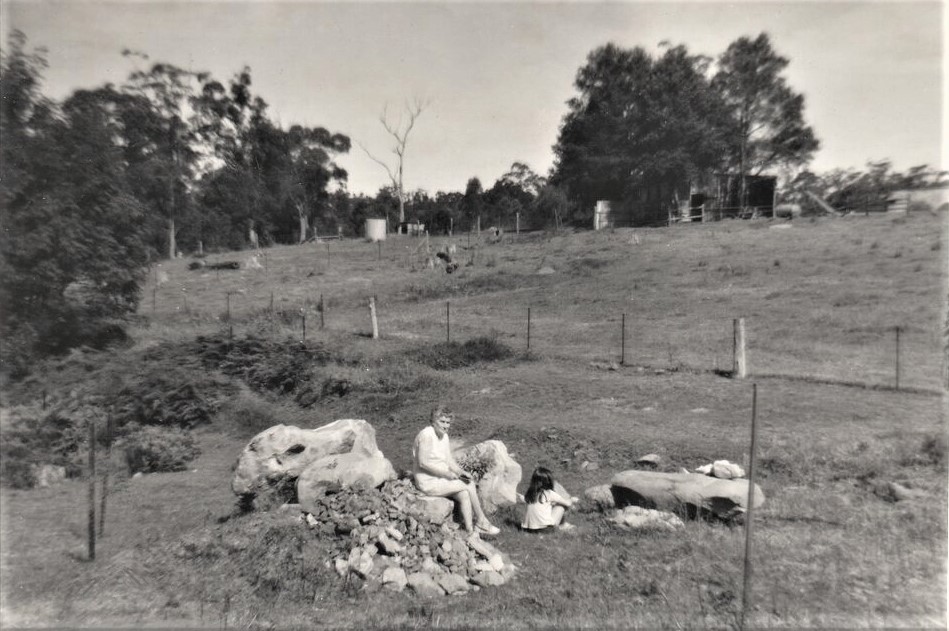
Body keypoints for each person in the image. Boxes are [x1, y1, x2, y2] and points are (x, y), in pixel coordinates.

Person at [412, 406, 500, 537]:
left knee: (464, 493)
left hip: (441, 479)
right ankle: (482, 521)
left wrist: (461, 472)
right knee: (468, 485)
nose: (446, 426)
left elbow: (449, 460)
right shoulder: (426, 435)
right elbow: (423, 462)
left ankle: (470, 531)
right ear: (433, 421)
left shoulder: (444, 436)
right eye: (442, 422)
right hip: (428, 481)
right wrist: (446, 474)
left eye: (448, 423)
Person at [520, 466, 578, 532]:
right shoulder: (549, 493)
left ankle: (561, 525)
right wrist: (572, 499)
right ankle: (562, 525)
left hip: (527, 529)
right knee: (561, 506)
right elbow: (568, 504)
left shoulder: (530, 494)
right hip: (545, 529)